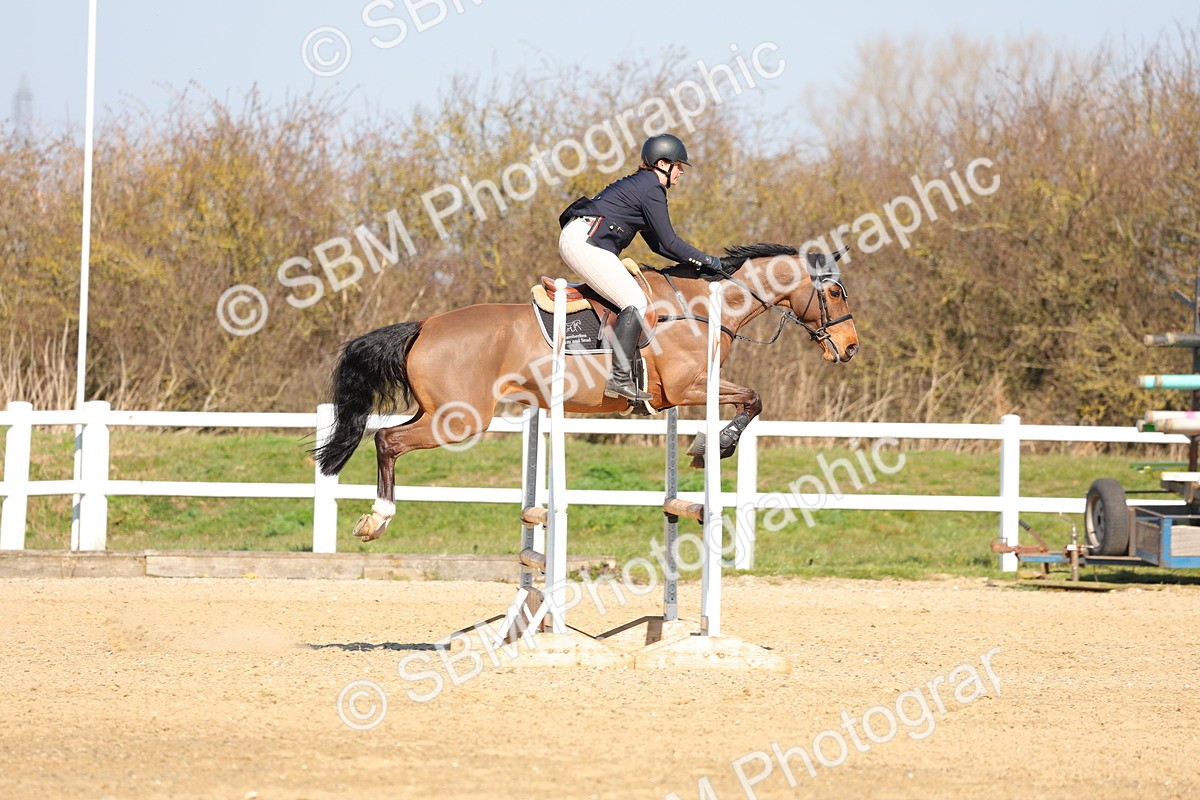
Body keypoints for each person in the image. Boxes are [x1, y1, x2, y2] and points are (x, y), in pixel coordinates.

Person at [558, 133, 724, 402]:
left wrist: (697, 265)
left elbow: (658, 245)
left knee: (633, 298)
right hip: (584, 241)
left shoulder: (644, 186)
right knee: (634, 300)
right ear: (662, 163)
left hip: (585, 238)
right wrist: (708, 260)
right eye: (679, 166)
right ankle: (619, 378)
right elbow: (670, 242)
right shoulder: (651, 189)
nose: (681, 172)